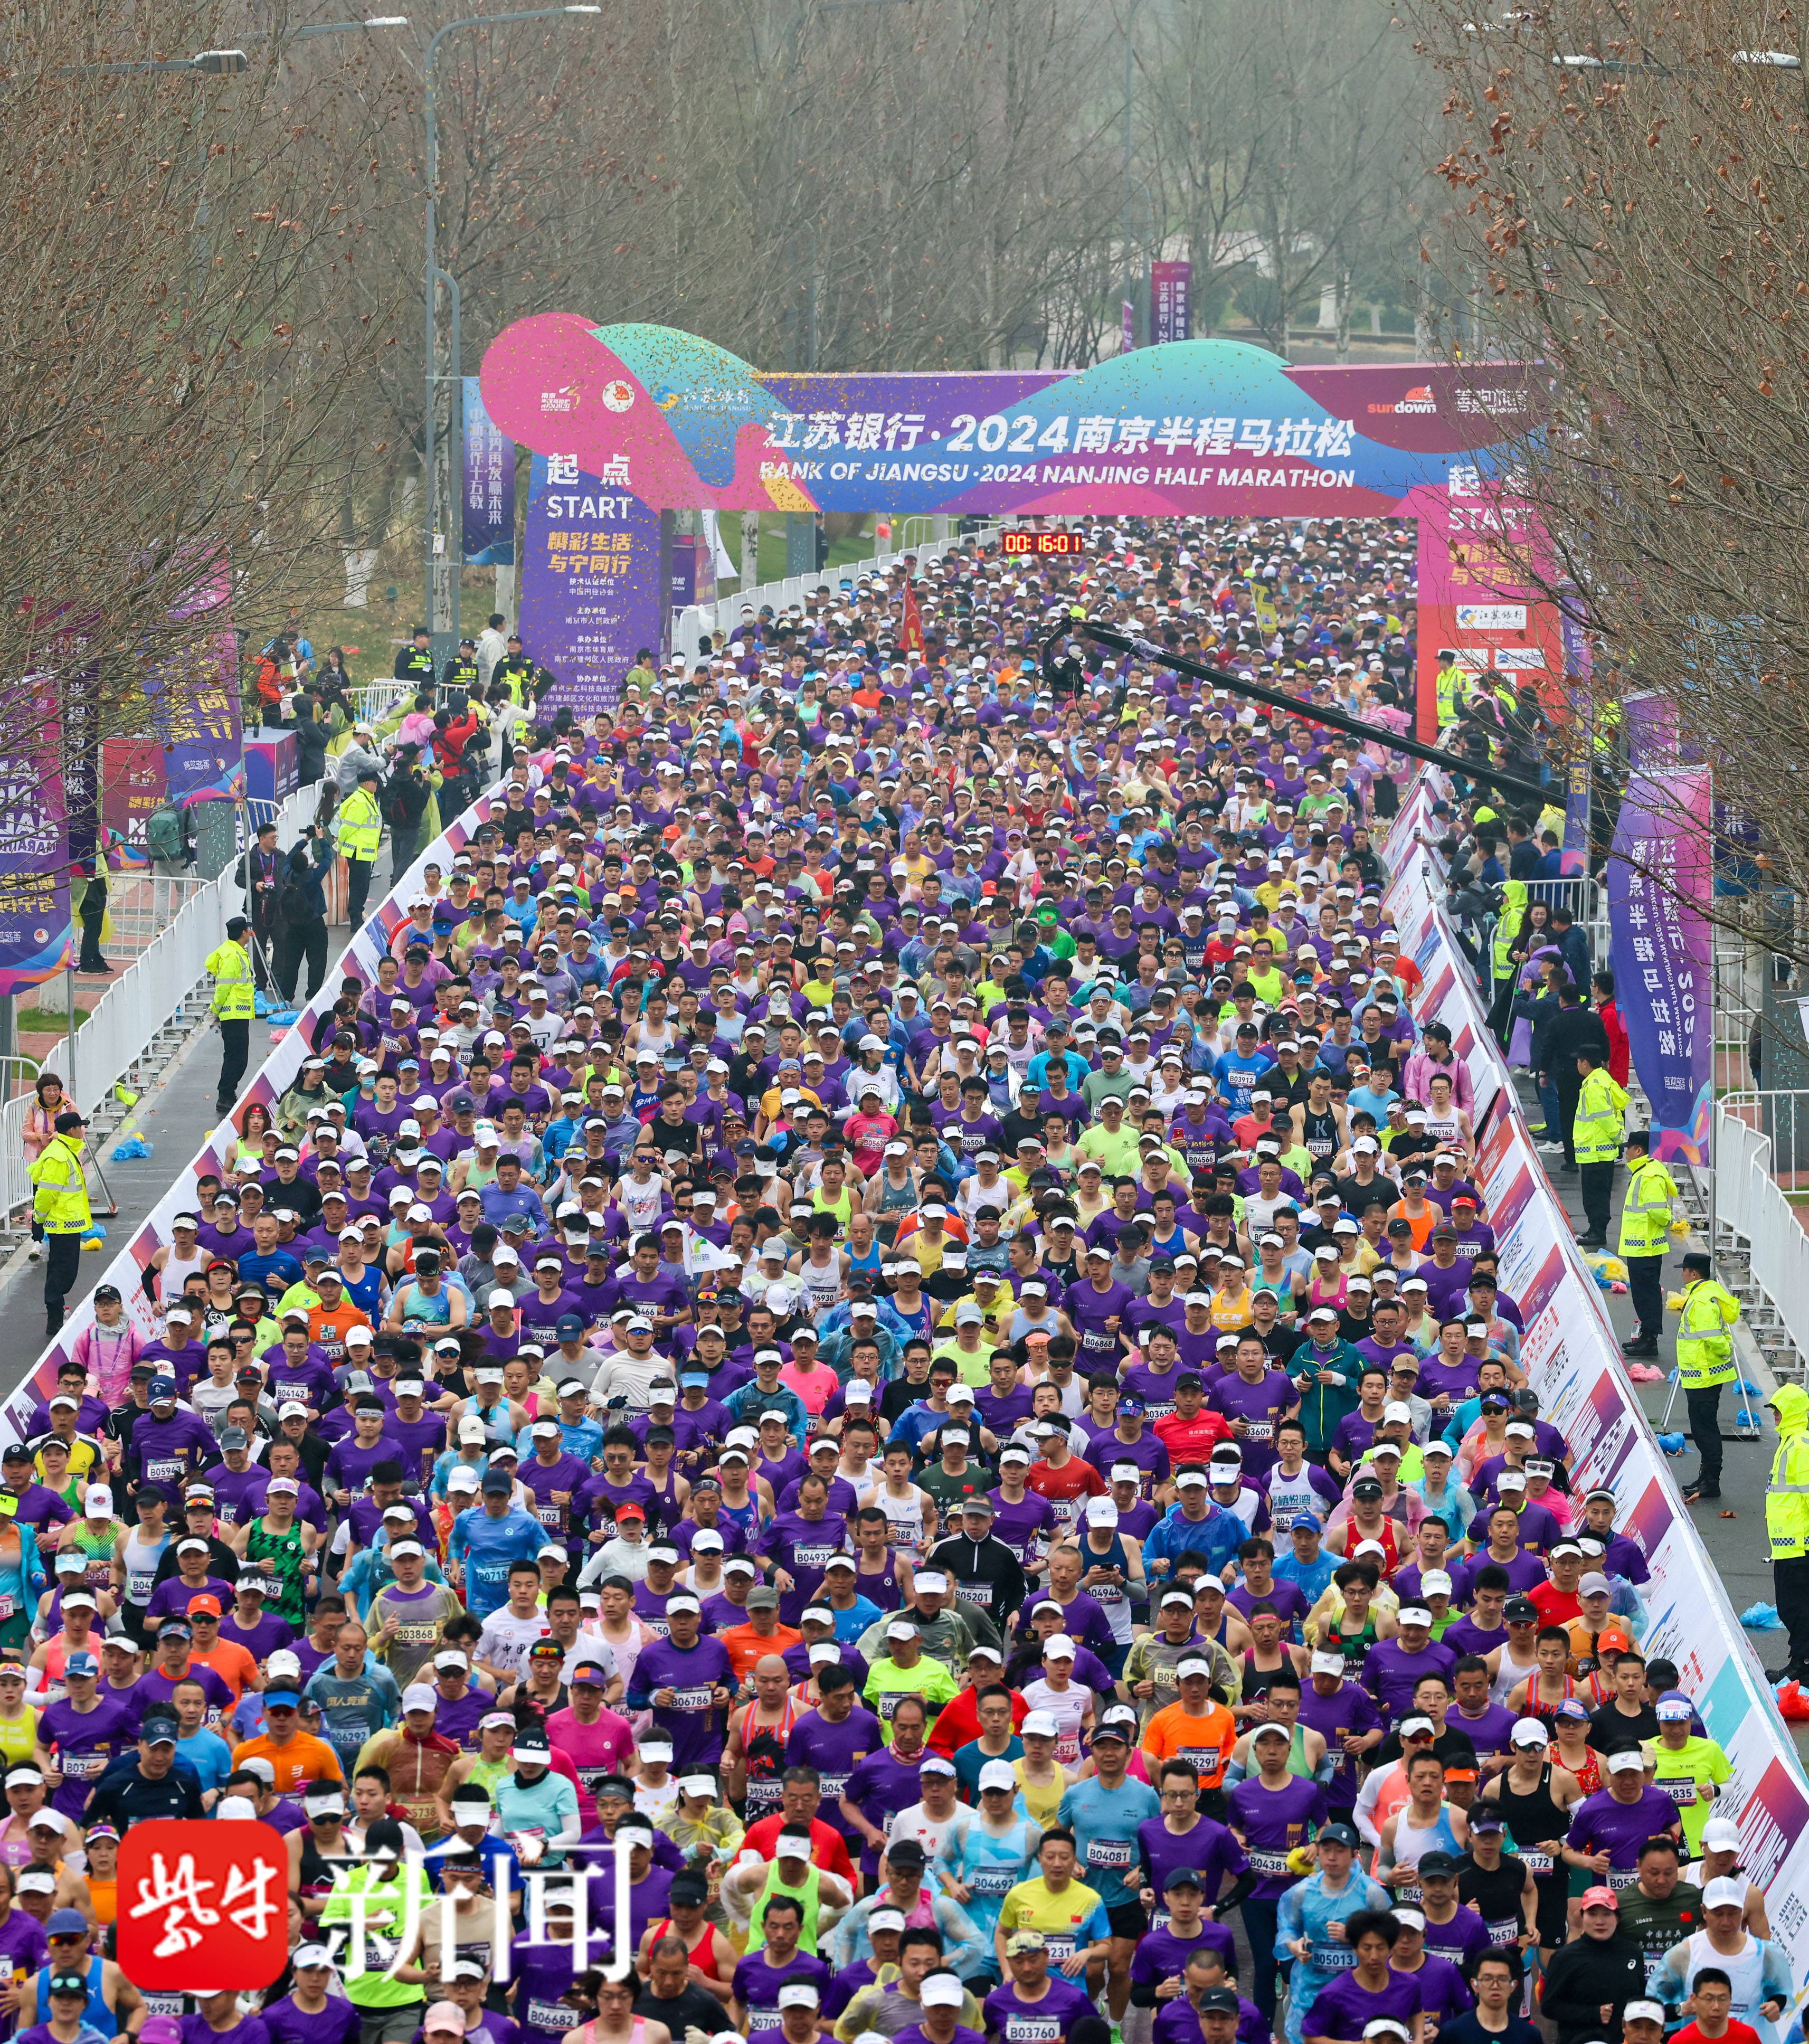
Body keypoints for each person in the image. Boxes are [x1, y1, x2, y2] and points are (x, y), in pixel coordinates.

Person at [1670, 1253, 1741, 1506]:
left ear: (1694, 1274)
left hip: (1704, 1375)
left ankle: (1711, 1481)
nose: (1682, 1274)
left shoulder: (1701, 1301)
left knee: (1705, 1430)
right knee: (1703, 1428)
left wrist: (1725, 1350)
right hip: (1704, 1374)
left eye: (1684, 1270)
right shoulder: (1706, 1293)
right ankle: (1706, 1477)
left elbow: (1712, 1336)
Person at [1539, 1887, 1649, 2044]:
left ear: (1617, 1917)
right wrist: (1593, 2013)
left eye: (1607, 1914)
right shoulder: (1565, 1957)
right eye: (1592, 1914)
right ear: (1582, 1917)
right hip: (1576, 2040)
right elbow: (1549, 2007)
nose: (1600, 1921)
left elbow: (1640, 1997)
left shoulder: (1632, 1953)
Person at [1615, 1128, 1680, 1359]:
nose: (1626, 1153)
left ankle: (1650, 1339)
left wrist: (1667, 1220)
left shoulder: (1649, 1176)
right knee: (1643, 1294)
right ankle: (1646, 1336)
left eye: (1629, 1149)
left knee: (1647, 1295)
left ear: (1639, 1150)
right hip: (1640, 1246)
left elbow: (1660, 1213)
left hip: (1645, 1246)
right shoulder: (1644, 1172)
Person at [27, 1113, 90, 1340]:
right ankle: (55, 1320)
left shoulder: (65, 1151)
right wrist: (39, 1218)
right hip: (62, 1225)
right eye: (80, 1127)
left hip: (68, 1224)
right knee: (61, 1274)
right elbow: (47, 1193)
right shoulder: (59, 1156)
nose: (83, 1131)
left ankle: (56, 1314)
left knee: (64, 1273)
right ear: (72, 1130)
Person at [1761, 1385, 1809, 1683]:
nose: (1775, 1415)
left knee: (1796, 1608)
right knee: (1792, 1608)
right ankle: (1801, 1662)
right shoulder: (1790, 1442)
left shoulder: (1799, 1447)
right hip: (1789, 1544)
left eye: (1779, 1410)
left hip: (1799, 1545)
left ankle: (1802, 1665)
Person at [1570, 1045, 1627, 1252]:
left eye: (1578, 1061)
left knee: (1595, 1196)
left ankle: (1597, 1232)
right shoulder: (1602, 1079)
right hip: (1600, 1151)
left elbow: (1604, 1118)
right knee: (1599, 1194)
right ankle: (1595, 1229)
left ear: (1585, 1063)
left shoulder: (1593, 1086)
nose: (1577, 1064)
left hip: (1595, 1151)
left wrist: (1617, 1137)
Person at [206, 916, 256, 1116]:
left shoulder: (235, 951)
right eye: (248, 930)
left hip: (238, 1014)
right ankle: (225, 1095)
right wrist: (215, 1010)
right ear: (243, 933)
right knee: (237, 1058)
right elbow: (223, 987)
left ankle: (228, 1093)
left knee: (236, 1057)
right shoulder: (232, 956)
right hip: (233, 1014)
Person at [334, 765, 384, 928]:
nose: (377, 785)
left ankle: (357, 915)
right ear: (368, 783)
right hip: (358, 851)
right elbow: (348, 827)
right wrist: (340, 845)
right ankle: (355, 919)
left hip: (364, 851)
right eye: (375, 782)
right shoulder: (361, 802)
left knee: (361, 886)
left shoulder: (368, 799)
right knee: (359, 886)